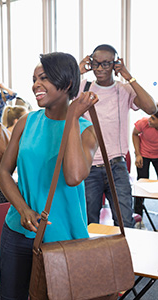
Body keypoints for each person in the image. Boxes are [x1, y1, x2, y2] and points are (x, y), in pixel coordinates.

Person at [0, 52, 98, 300]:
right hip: (19, 231)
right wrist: (22, 209)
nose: (35, 85)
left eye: (43, 78)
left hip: (64, 237)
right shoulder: (26, 122)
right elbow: (3, 173)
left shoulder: (86, 132)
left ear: (67, 84)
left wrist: (73, 117)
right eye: (34, 79)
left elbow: (74, 176)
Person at [79, 44, 156, 228]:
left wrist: (129, 77)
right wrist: (77, 71)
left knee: (125, 221)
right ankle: (92, 257)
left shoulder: (124, 89)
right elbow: (61, 100)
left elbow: (151, 107)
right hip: (89, 167)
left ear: (115, 65)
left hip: (117, 165)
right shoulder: (84, 86)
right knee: (90, 223)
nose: (99, 69)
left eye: (105, 64)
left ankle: (125, 256)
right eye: (95, 63)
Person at [132, 106, 158, 219]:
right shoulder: (144, 123)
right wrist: (138, 154)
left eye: (153, 118)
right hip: (144, 154)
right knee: (141, 184)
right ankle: (138, 216)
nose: (149, 120)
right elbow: (135, 134)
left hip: (157, 155)